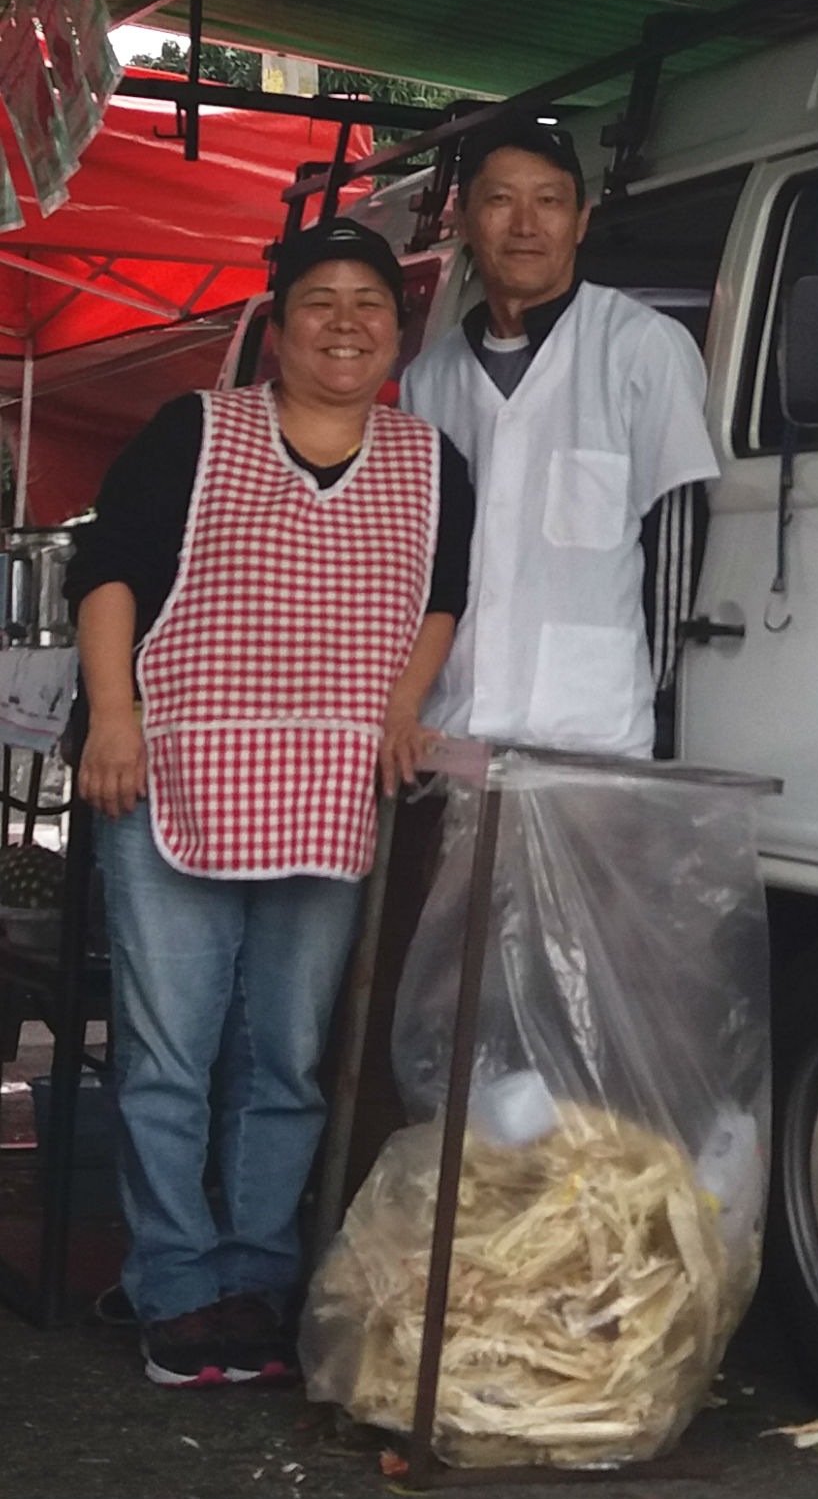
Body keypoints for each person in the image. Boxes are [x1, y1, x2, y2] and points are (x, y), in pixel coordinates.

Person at [70, 219, 474, 1387]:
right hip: (174, 772)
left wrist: (403, 706)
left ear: (399, 330)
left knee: (287, 1058)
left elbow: (440, 597)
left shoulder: (430, 459)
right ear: (277, 328)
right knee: (169, 1054)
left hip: (329, 785)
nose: (346, 323)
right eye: (319, 302)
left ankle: (255, 1274)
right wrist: (113, 713)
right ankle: (175, 1285)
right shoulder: (194, 430)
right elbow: (110, 570)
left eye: (370, 303)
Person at [400, 119, 717, 759]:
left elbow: (676, 533)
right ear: (463, 219)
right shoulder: (429, 379)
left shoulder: (640, 346)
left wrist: (662, 696)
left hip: (593, 730)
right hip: (452, 728)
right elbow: (414, 563)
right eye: (500, 200)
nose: (525, 224)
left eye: (549, 201)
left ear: (580, 221)